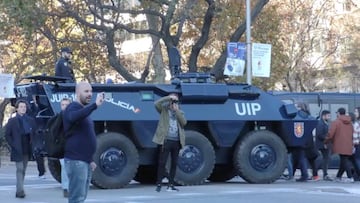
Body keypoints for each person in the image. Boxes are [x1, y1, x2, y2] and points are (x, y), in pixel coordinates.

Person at [63, 82, 104, 203]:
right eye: (86, 91)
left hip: (84, 160)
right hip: (76, 161)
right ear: (77, 93)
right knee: (77, 199)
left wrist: (90, 159)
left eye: (91, 91)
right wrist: (94, 106)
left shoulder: (83, 111)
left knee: (81, 197)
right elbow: (73, 117)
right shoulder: (73, 107)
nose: (90, 94)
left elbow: (83, 136)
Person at [153, 93, 187, 192]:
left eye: (175, 101)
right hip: (166, 140)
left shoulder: (180, 112)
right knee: (162, 162)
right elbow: (156, 104)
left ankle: (171, 184)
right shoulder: (164, 111)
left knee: (174, 163)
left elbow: (184, 123)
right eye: (172, 101)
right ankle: (159, 183)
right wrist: (169, 98)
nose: (173, 103)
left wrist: (176, 111)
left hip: (177, 141)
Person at [5, 100, 37, 198]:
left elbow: (34, 133)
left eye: (24, 107)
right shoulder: (12, 121)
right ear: (17, 108)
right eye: (21, 107)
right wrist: (13, 144)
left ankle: (20, 187)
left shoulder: (30, 120)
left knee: (23, 169)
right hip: (17, 147)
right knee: (20, 169)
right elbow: (7, 135)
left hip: (27, 147)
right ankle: (20, 191)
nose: (23, 108)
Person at [325, 107, 354, 182]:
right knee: (343, 160)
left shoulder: (336, 122)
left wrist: (326, 141)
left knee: (344, 160)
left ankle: (350, 177)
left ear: (338, 113)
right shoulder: (350, 122)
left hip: (340, 144)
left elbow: (331, 134)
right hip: (349, 144)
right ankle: (338, 176)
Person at [59, 98, 72, 197]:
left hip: (74, 147)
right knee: (65, 167)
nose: (65, 107)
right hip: (62, 147)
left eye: (67, 105)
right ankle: (66, 188)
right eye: (63, 105)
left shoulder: (74, 117)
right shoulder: (58, 118)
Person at [315, 110, 332, 181]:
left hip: (325, 143)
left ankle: (318, 172)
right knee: (325, 159)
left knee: (326, 159)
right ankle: (324, 174)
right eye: (328, 116)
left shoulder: (325, 123)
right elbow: (319, 134)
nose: (329, 117)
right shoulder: (320, 123)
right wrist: (327, 138)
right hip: (323, 144)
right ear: (323, 116)